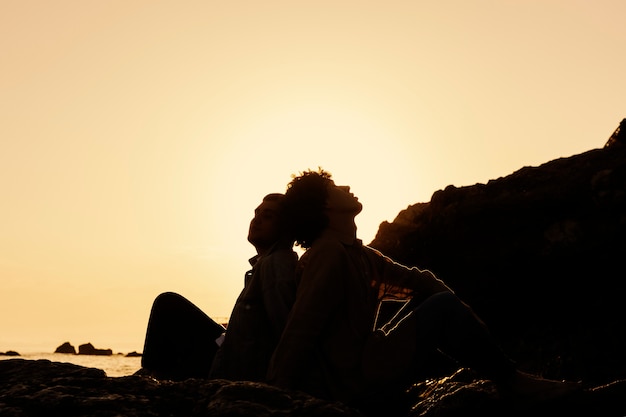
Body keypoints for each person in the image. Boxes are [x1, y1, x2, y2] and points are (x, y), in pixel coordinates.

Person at [266, 168, 580, 412]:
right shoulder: (327, 253)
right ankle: (514, 383)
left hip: (369, 364)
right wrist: (278, 393)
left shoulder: (361, 255)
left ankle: (506, 377)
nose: (346, 187)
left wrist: (457, 318)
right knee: (441, 308)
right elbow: (301, 327)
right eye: (335, 188)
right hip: (352, 381)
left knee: (440, 309)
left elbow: (418, 283)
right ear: (322, 205)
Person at [139, 193, 298, 381]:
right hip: (229, 351)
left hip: (234, 367)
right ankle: (152, 375)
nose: (256, 221)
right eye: (256, 214)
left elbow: (285, 328)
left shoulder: (276, 264)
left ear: (285, 229)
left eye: (267, 216)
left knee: (168, 304)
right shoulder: (266, 263)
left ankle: (151, 379)